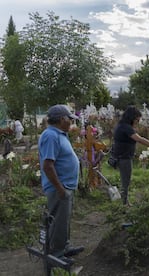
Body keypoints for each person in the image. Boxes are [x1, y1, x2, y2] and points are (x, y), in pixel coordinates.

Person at [38, 104, 84, 258]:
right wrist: (60, 189)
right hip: (59, 187)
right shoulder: (50, 136)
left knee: (63, 221)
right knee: (58, 221)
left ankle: (63, 248)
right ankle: (56, 255)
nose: (71, 122)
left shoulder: (58, 134)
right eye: (70, 119)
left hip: (65, 186)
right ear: (62, 119)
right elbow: (48, 166)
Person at [112, 105, 149, 205]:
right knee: (125, 182)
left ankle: (125, 202)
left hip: (121, 156)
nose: (137, 122)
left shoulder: (122, 125)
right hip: (124, 158)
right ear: (132, 118)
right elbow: (139, 139)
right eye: (137, 120)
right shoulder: (126, 127)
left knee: (125, 180)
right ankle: (124, 205)